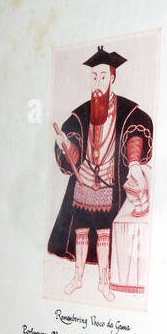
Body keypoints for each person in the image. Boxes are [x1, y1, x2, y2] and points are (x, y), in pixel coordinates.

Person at [48, 46, 153, 302]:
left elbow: (135, 135)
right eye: (94, 77)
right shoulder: (82, 112)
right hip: (84, 178)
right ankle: (78, 278)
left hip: (109, 180)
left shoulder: (127, 110)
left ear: (113, 78)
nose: (98, 82)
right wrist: (66, 144)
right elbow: (72, 148)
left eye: (103, 76)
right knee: (81, 232)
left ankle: (104, 283)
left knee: (104, 234)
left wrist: (135, 165)